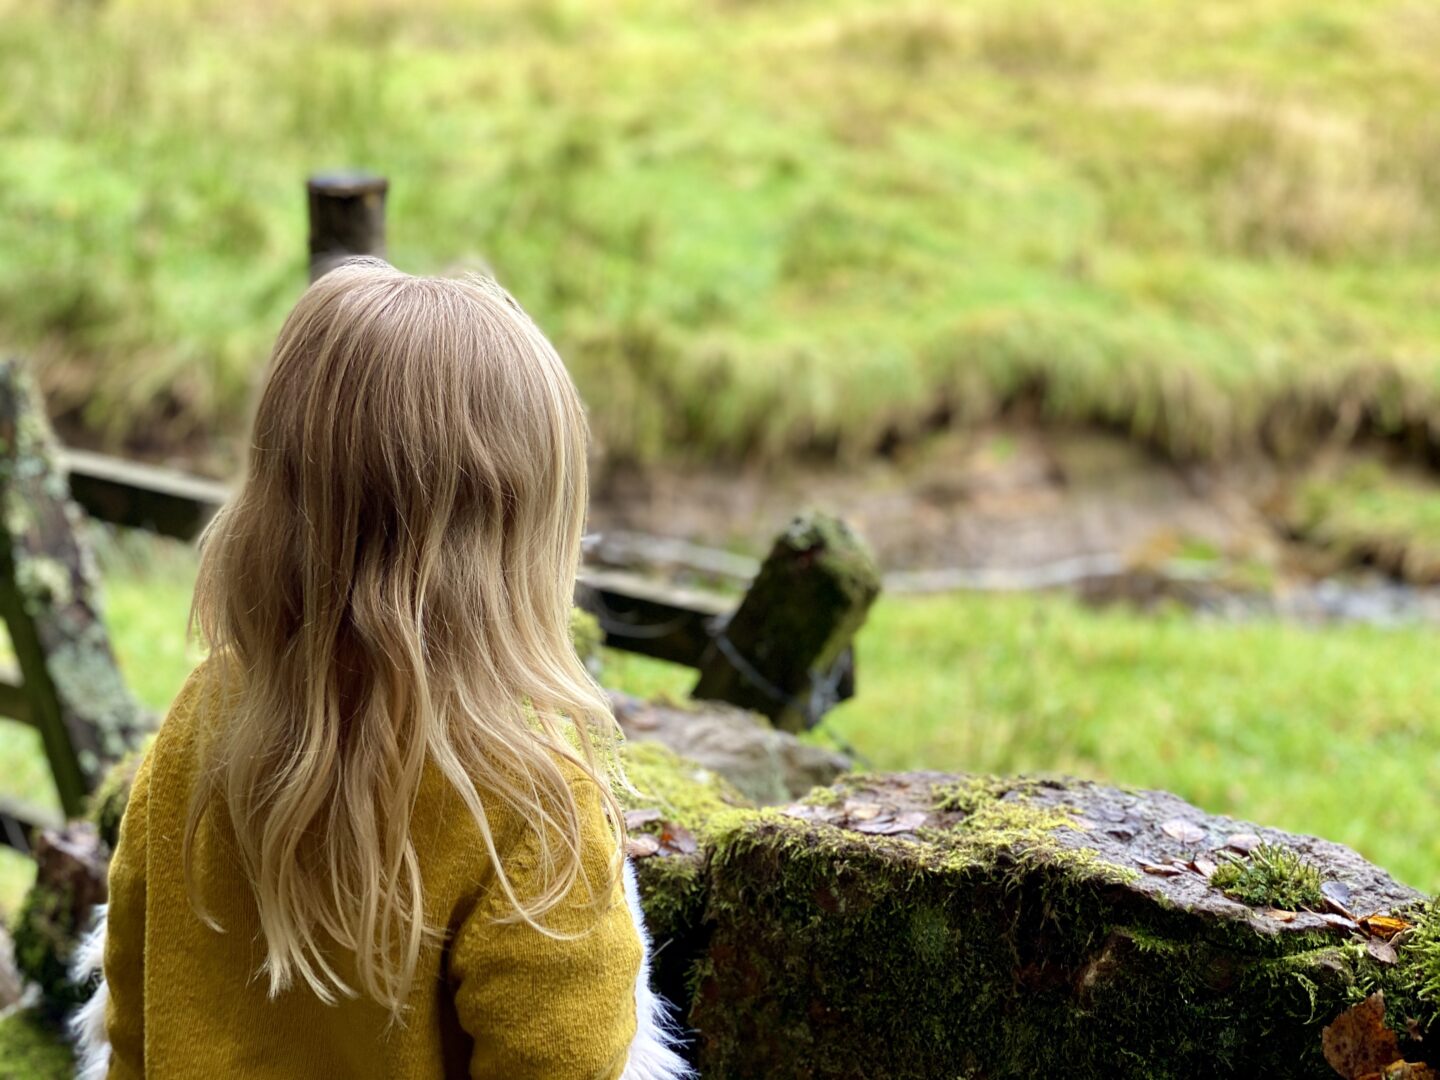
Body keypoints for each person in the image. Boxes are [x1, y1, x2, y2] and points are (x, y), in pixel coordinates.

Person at [70, 259, 690, 1080]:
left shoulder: (206, 712)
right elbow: (566, 1056)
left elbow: (131, 997)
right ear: (522, 544)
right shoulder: (532, 804)